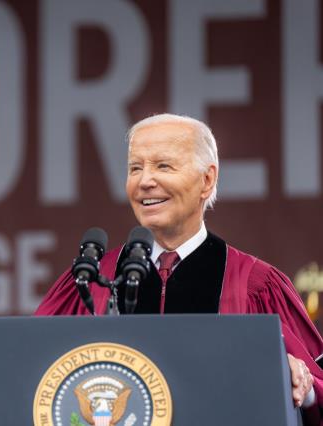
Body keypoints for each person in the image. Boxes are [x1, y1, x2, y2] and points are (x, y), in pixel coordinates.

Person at [35, 113, 323, 423]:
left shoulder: (254, 284)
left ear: (207, 179)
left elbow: (316, 383)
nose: (144, 181)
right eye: (135, 168)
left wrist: (297, 383)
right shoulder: (93, 280)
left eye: (163, 166)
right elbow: (32, 373)